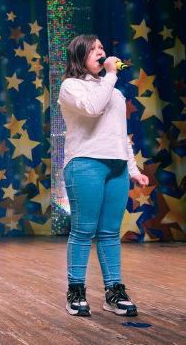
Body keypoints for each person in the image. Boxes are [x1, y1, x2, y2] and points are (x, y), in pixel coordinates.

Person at [58, 35, 149, 317]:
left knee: (110, 232)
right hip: (85, 163)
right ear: (80, 56)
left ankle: (114, 291)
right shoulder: (70, 86)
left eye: (102, 48)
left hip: (116, 166)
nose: (100, 52)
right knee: (83, 230)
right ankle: (76, 291)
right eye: (93, 49)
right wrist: (110, 75)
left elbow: (120, 135)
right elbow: (93, 108)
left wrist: (133, 170)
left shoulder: (115, 91)